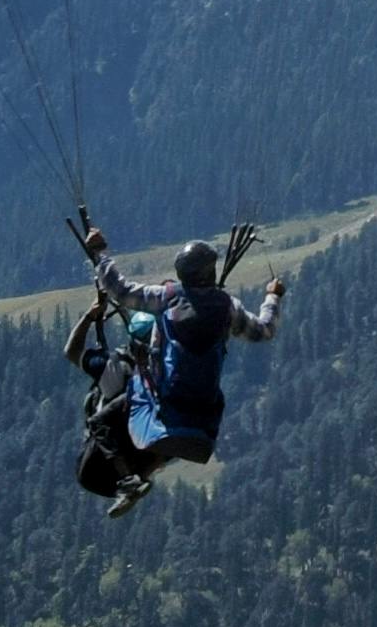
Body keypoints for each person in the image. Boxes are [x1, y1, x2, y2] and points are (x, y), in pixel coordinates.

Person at [68, 219, 281, 515]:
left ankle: (128, 481)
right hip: (205, 414)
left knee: (104, 417)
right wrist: (273, 296)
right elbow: (265, 330)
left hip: (165, 401)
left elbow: (120, 290)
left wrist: (100, 253)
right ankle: (142, 471)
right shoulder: (227, 307)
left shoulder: (167, 298)